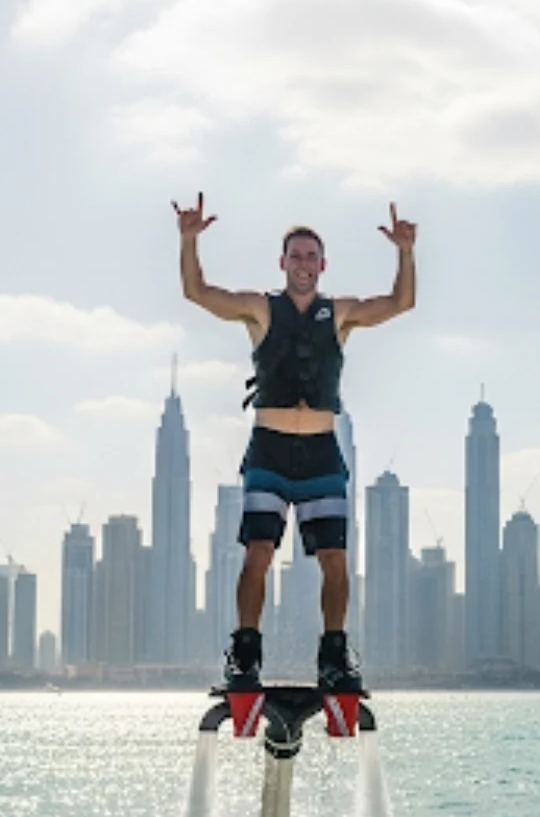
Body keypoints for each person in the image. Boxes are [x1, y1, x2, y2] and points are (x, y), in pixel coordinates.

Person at [176, 193, 417, 691]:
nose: (303, 264)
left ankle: (334, 657)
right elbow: (197, 292)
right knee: (257, 552)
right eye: (295, 255)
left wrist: (405, 252)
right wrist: (189, 240)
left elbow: (401, 303)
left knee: (334, 559)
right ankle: (245, 656)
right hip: (270, 449)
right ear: (282, 262)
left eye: (311, 256)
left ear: (322, 265)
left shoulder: (342, 313)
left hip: (323, 454)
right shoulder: (259, 309)